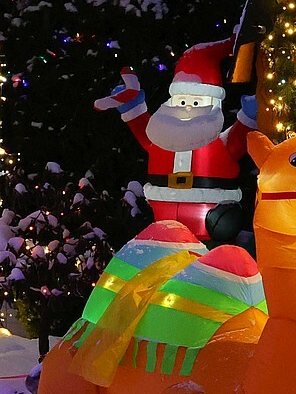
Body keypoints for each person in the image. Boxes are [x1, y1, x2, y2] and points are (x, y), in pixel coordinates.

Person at [95, 39, 256, 243]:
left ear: (213, 103)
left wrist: (249, 117)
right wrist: (133, 107)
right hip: (164, 222)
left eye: (196, 102)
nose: (187, 107)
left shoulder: (216, 142)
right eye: (181, 101)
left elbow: (237, 142)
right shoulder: (163, 135)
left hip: (210, 221)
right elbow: (147, 136)